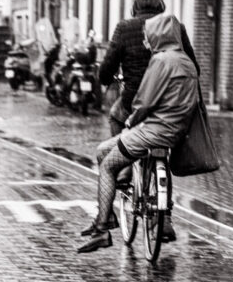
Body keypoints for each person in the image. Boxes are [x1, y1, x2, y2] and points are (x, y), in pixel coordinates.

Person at [78, 14, 199, 253]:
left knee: (106, 162)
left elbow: (144, 101)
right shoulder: (187, 63)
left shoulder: (161, 61)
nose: (145, 42)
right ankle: (114, 217)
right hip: (174, 132)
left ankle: (103, 228)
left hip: (152, 132)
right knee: (104, 149)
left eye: (148, 37)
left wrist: (131, 121)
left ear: (159, 36)